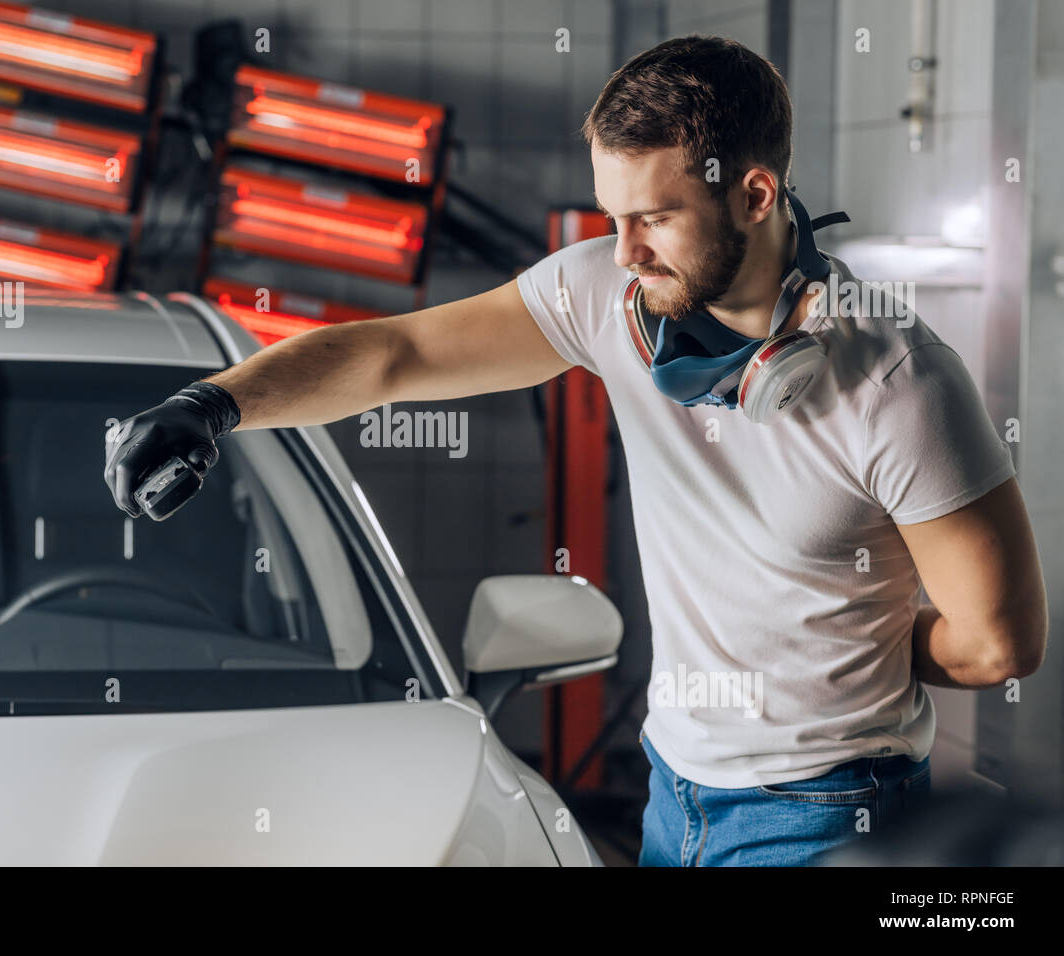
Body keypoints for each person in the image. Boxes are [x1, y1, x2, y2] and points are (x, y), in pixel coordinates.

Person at [104, 35, 1047, 866]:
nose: (624, 251)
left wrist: (864, 638)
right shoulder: (606, 297)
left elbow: (1000, 642)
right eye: (612, 217)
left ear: (754, 193)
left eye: (655, 217)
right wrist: (215, 403)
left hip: (834, 813)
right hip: (675, 797)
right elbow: (397, 354)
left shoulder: (898, 384)